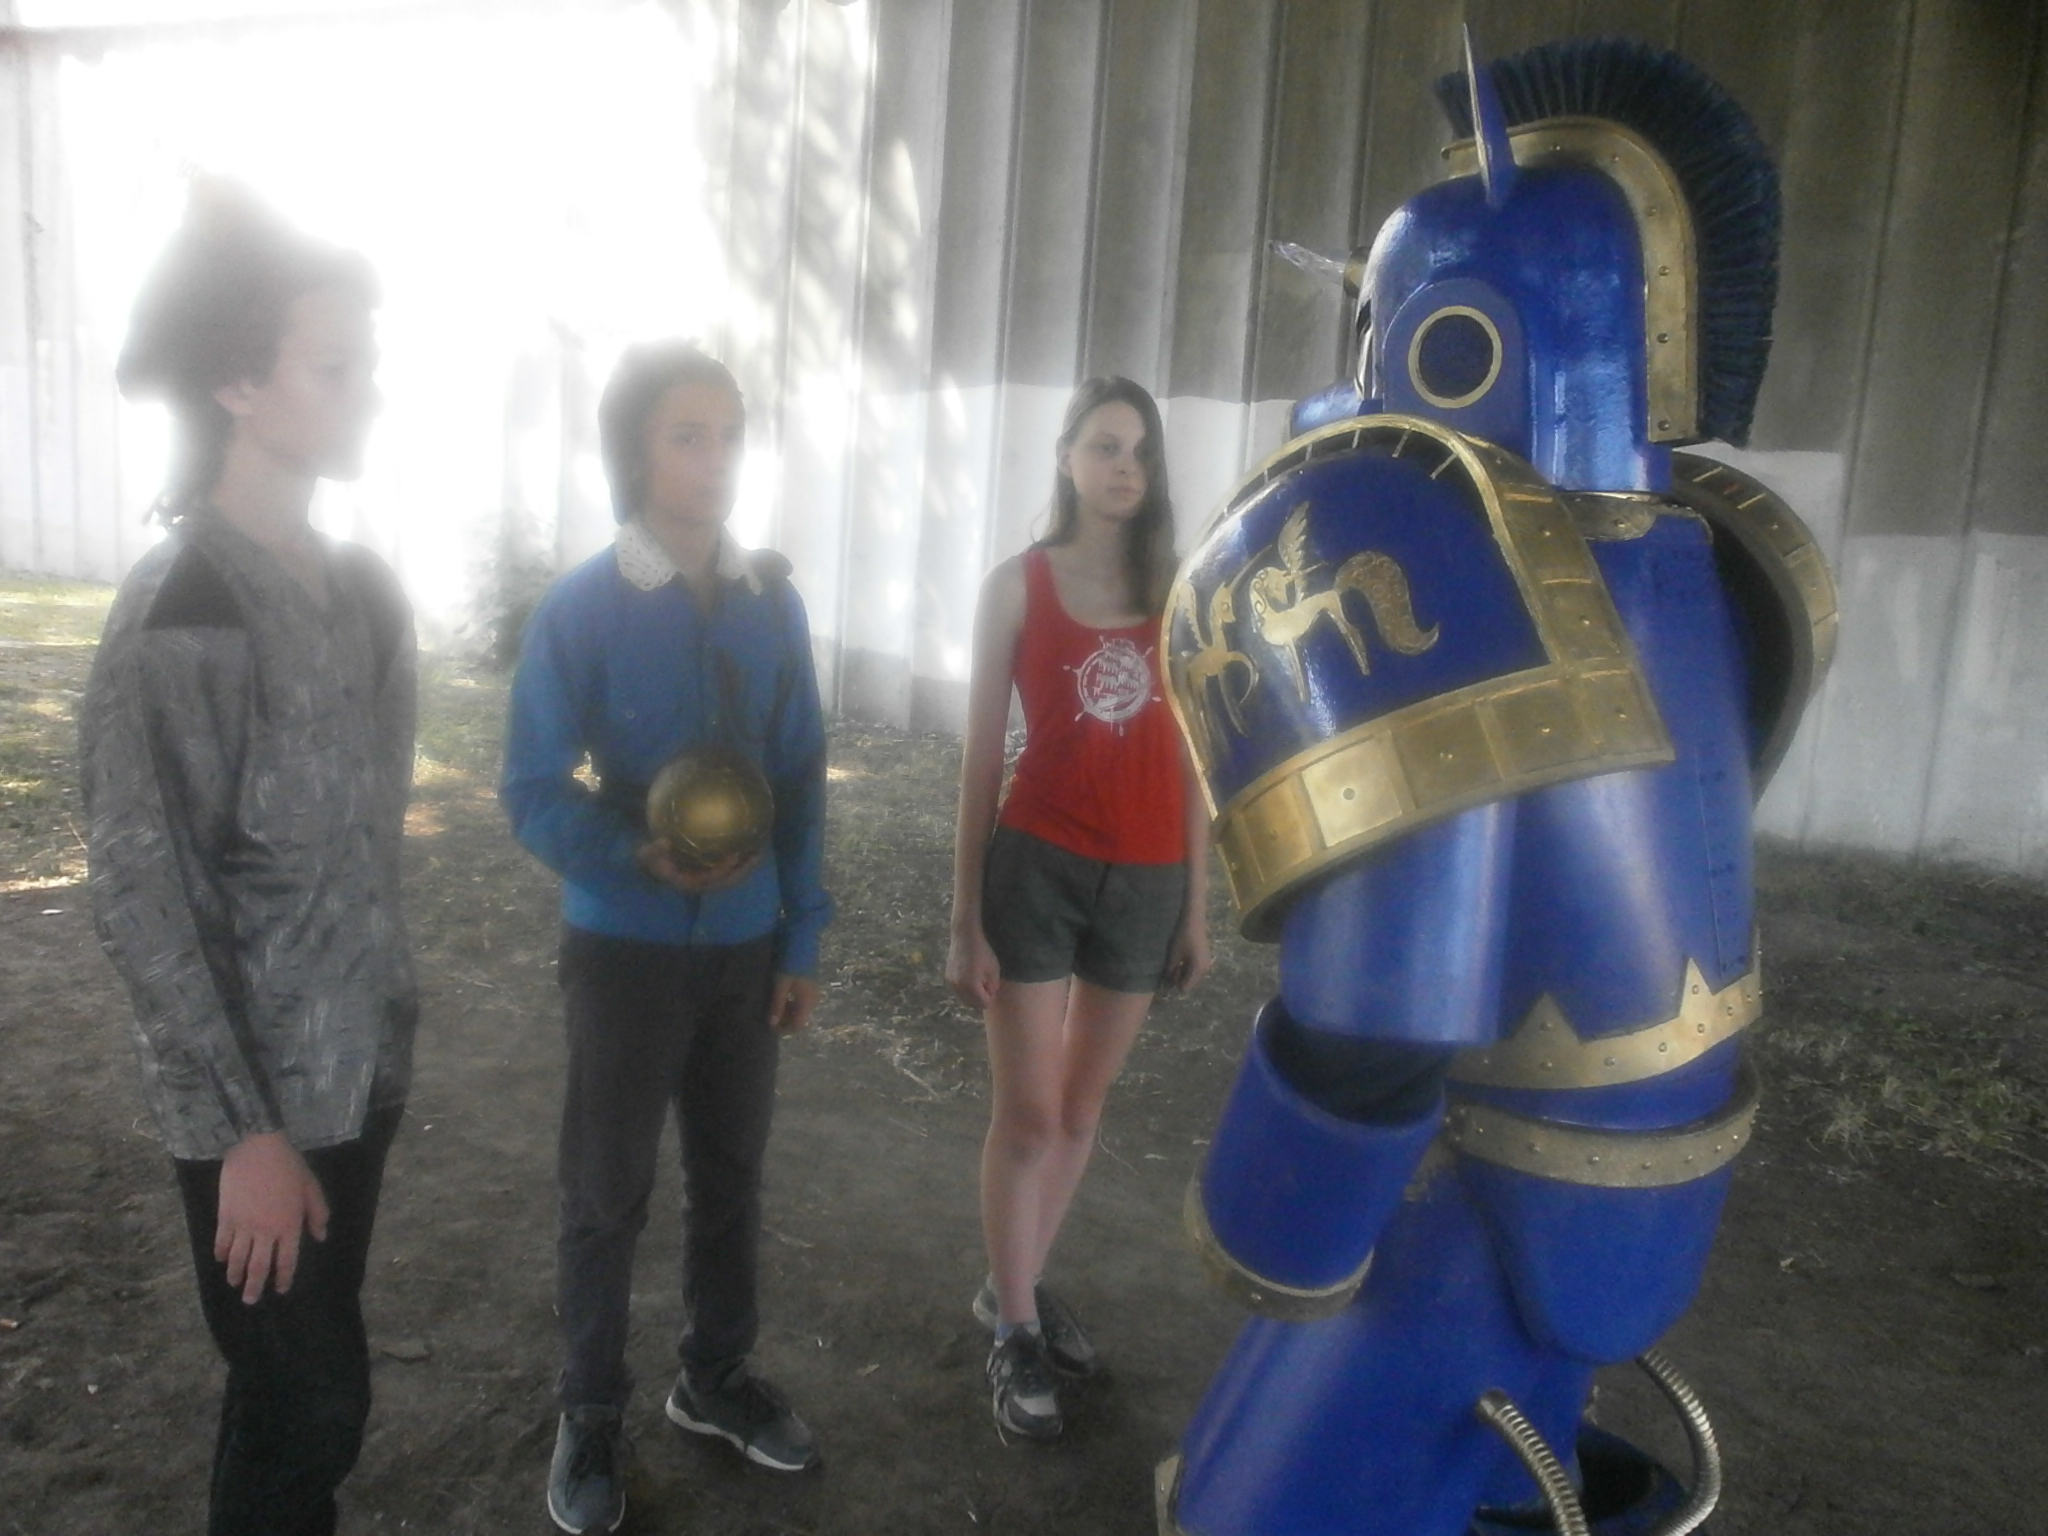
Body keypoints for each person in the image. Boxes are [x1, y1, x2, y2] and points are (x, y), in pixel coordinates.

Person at [79, 181, 412, 1536]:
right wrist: (244, 1136)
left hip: (362, 1072)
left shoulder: (365, 593)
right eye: (335, 368)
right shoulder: (181, 614)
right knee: (312, 1401)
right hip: (257, 1106)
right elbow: (142, 894)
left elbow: (365, 845)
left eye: (366, 364)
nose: (368, 392)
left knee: (287, 1406)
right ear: (234, 382)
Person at [501, 341, 832, 1534]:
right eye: (687, 435)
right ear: (634, 453)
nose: (716, 458)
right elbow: (531, 787)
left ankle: (714, 1379)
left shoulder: (770, 601)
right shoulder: (584, 607)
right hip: (624, 951)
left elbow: (800, 777)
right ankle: (590, 1410)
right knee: (606, 1193)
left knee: (731, 1177)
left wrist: (799, 939)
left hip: (743, 948)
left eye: (730, 434)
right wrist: (626, 853)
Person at [946, 376, 1213, 1441]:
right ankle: (1015, 1328)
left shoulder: (1178, 592)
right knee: (1028, 1115)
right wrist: (963, 917)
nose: (1123, 467)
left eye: (1139, 452)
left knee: (1081, 1111)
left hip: (1147, 881)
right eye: (1104, 446)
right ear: (1066, 457)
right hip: (1037, 869)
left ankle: (1010, 1286)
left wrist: (1195, 906)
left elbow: (1193, 757)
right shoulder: (1016, 586)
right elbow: (980, 758)